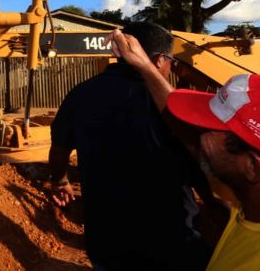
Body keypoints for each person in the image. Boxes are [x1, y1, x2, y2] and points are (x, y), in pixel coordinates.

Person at [49, 22, 209, 270]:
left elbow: (59, 150)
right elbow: (202, 164)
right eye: (171, 60)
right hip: (172, 241)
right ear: (157, 60)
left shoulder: (80, 94)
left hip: (107, 242)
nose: (172, 66)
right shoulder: (174, 107)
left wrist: (59, 181)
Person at [109, 29, 260, 270]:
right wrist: (147, 68)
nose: (196, 134)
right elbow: (183, 132)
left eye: (208, 130)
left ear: (251, 166)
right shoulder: (248, 199)